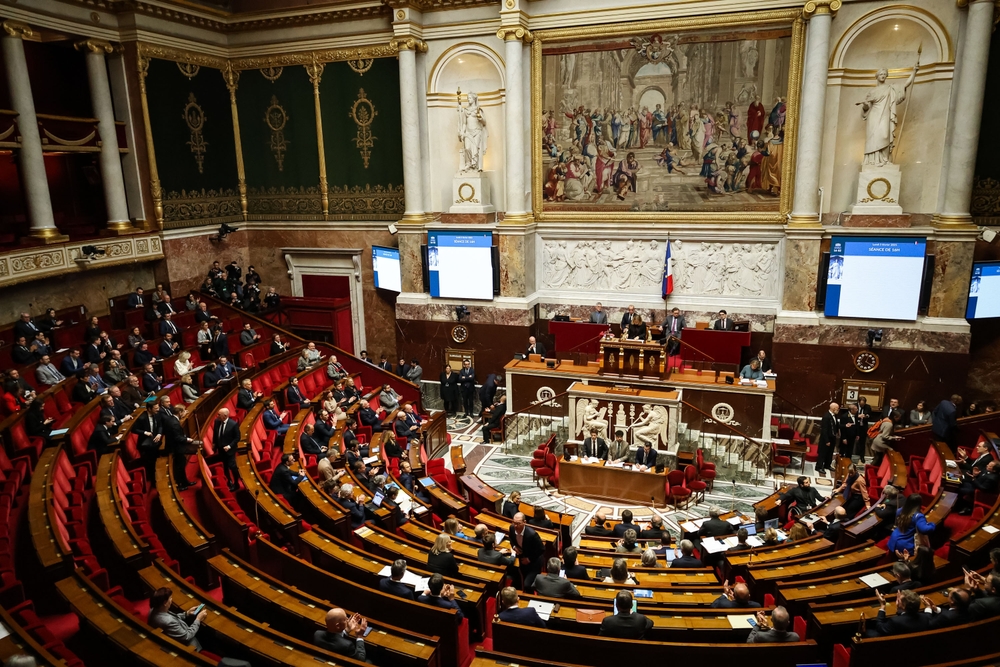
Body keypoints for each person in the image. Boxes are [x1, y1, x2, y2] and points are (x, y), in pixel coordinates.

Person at [510, 512, 545, 589]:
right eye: (514, 523)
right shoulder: (512, 528)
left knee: (527, 585)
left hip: (534, 562)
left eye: (518, 523)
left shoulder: (532, 534)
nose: (515, 526)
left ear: (524, 522)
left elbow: (542, 549)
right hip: (521, 560)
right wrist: (514, 546)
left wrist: (529, 559)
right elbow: (511, 539)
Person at [815, 401, 840, 476]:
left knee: (830, 452)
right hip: (826, 439)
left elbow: (835, 425)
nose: (838, 410)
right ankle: (819, 466)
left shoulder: (834, 415)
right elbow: (824, 430)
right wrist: (827, 440)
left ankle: (827, 465)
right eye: (837, 408)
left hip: (832, 437)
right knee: (823, 453)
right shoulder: (826, 416)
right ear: (833, 408)